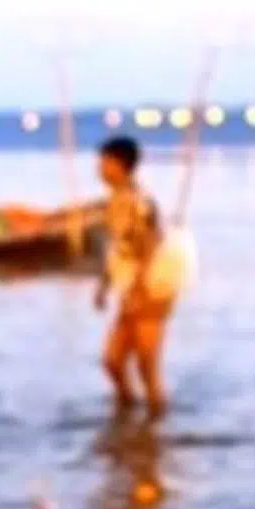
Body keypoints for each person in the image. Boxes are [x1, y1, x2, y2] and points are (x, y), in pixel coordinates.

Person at [93, 136, 177, 416]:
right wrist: (104, 286)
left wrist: (140, 286)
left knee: (146, 365)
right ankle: (127, 416)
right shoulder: (114, 201)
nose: (100, 168)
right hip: (130, 286)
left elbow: (151, 244)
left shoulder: (139, 201)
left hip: (150, 287)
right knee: (112, 361)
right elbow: (117, 247)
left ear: (120, 165)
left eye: (105, 162)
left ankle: (155, 424)